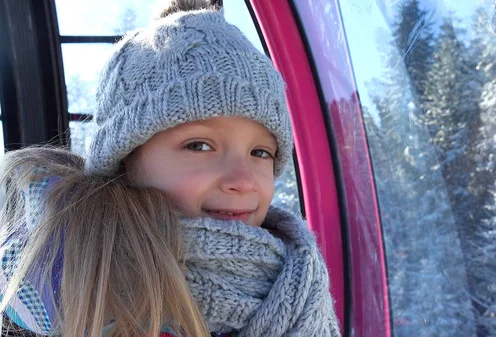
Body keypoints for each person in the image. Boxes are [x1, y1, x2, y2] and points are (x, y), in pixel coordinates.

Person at [0, 1, 341, 336]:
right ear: (125, 161)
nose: (243, 180)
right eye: (200, 146)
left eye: (261, 152)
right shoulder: (61, 267)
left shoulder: (294, 278)